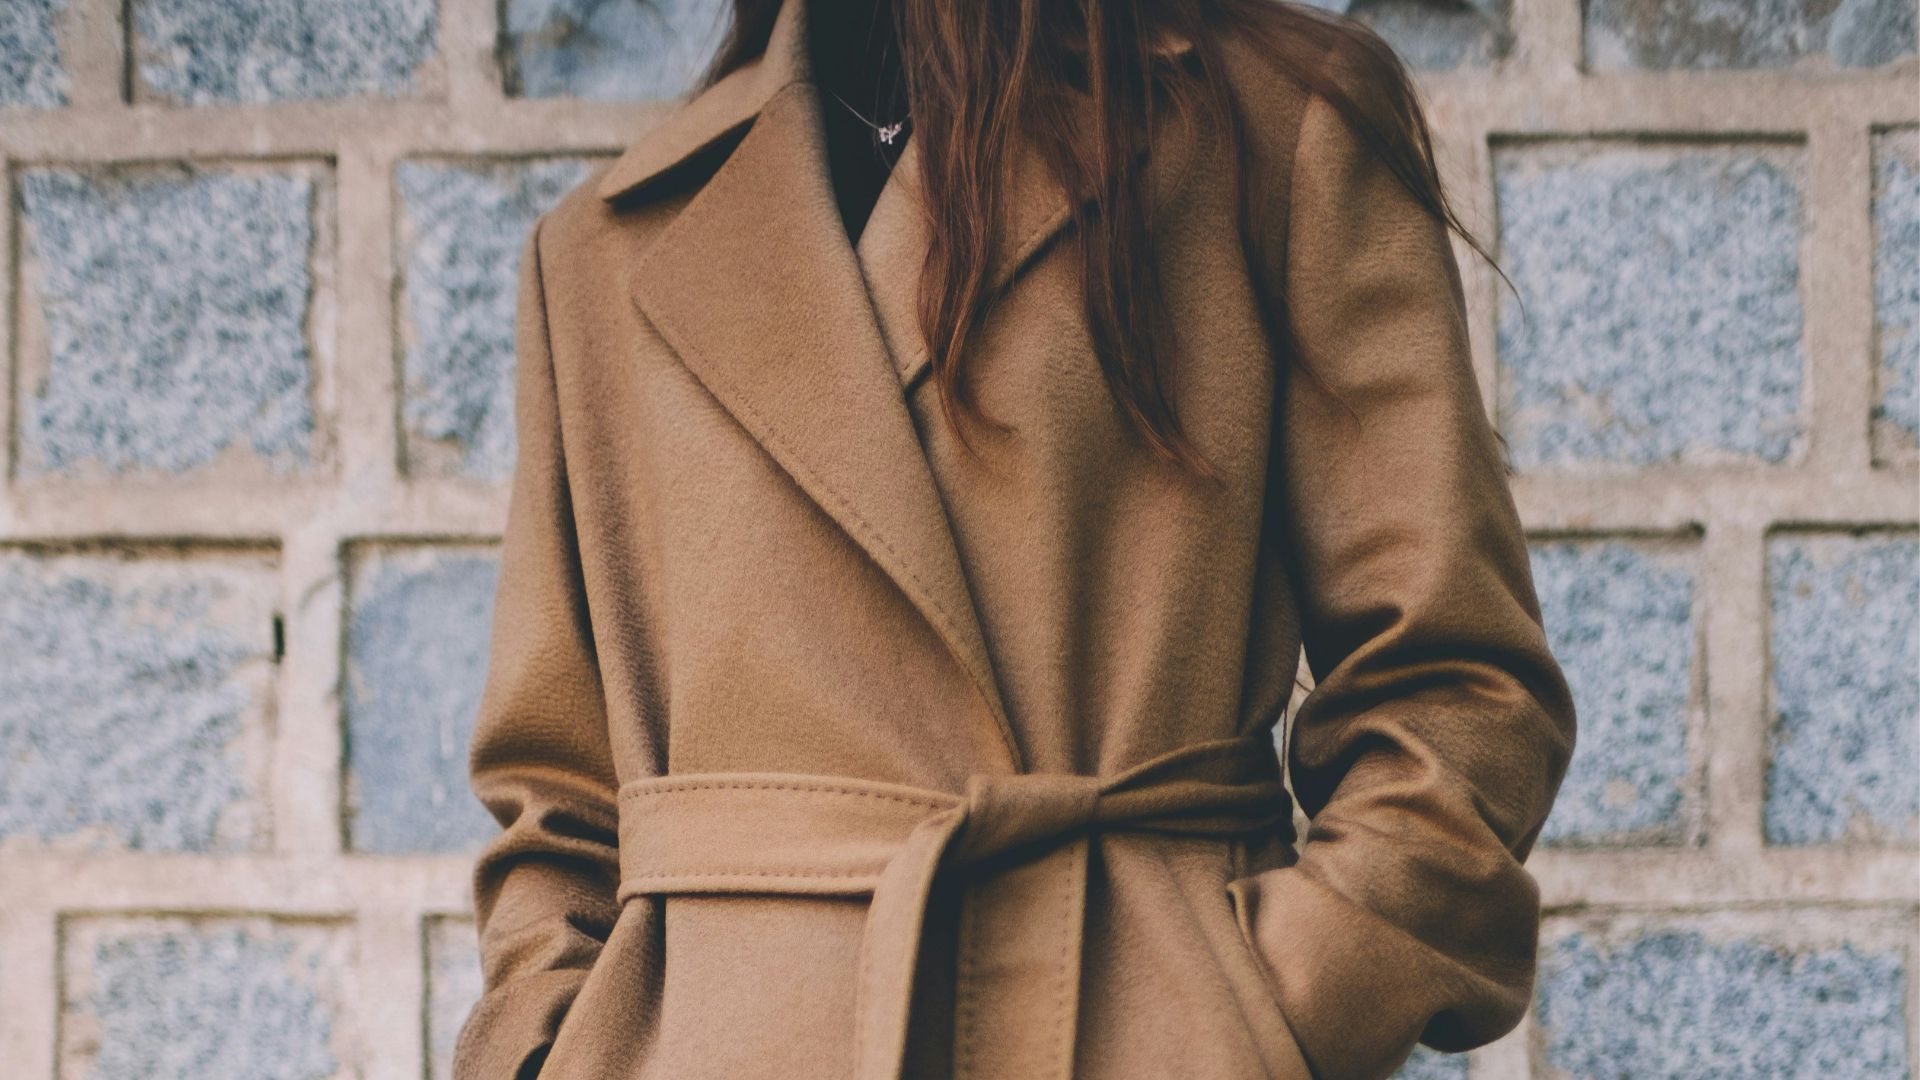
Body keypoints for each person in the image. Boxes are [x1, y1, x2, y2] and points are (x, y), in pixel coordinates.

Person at [452, 0, 1579, 1077]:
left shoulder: (1267, 127)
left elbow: (1457, 691)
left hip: (1113, 1021)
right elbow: (558, 802)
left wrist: (1257, 1021)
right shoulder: (604, 247)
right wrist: (549, 1048)